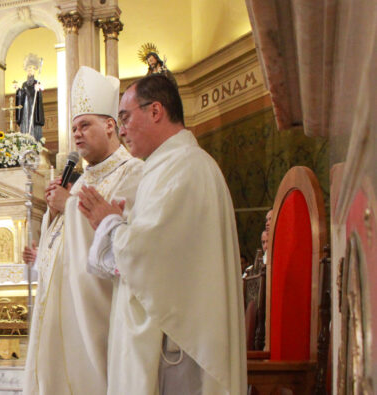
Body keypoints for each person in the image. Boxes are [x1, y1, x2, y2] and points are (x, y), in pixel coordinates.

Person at [79, 74, 246, 394]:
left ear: (156, 111)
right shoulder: (170, 164)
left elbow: (147, 255)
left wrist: (109, 223)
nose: (122, 130)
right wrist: (116, 224)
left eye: (125, 117)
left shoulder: (182, 167)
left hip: (177, 351)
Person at [22, 66, 143, 395]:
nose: (76, 134)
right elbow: (59, 244)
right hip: (60, 310)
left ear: (109, 125)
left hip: (96, 316)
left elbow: (125, 241)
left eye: (85, 125)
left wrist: (69, 207)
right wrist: (53, 214)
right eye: (74, 127)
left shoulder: (133, 173)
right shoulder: (79, 180)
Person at [15, 53, 45, 141]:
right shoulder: (24, 84)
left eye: (31, 68)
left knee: (33, 125)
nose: (30, 70)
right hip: (25, 108)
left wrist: (38, 89)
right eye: (28, 68)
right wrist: (18, 90)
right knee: (25, 123)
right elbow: (22, 94)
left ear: (34, 70)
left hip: (33, 107)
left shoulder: (37, 82)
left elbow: (40, 92)